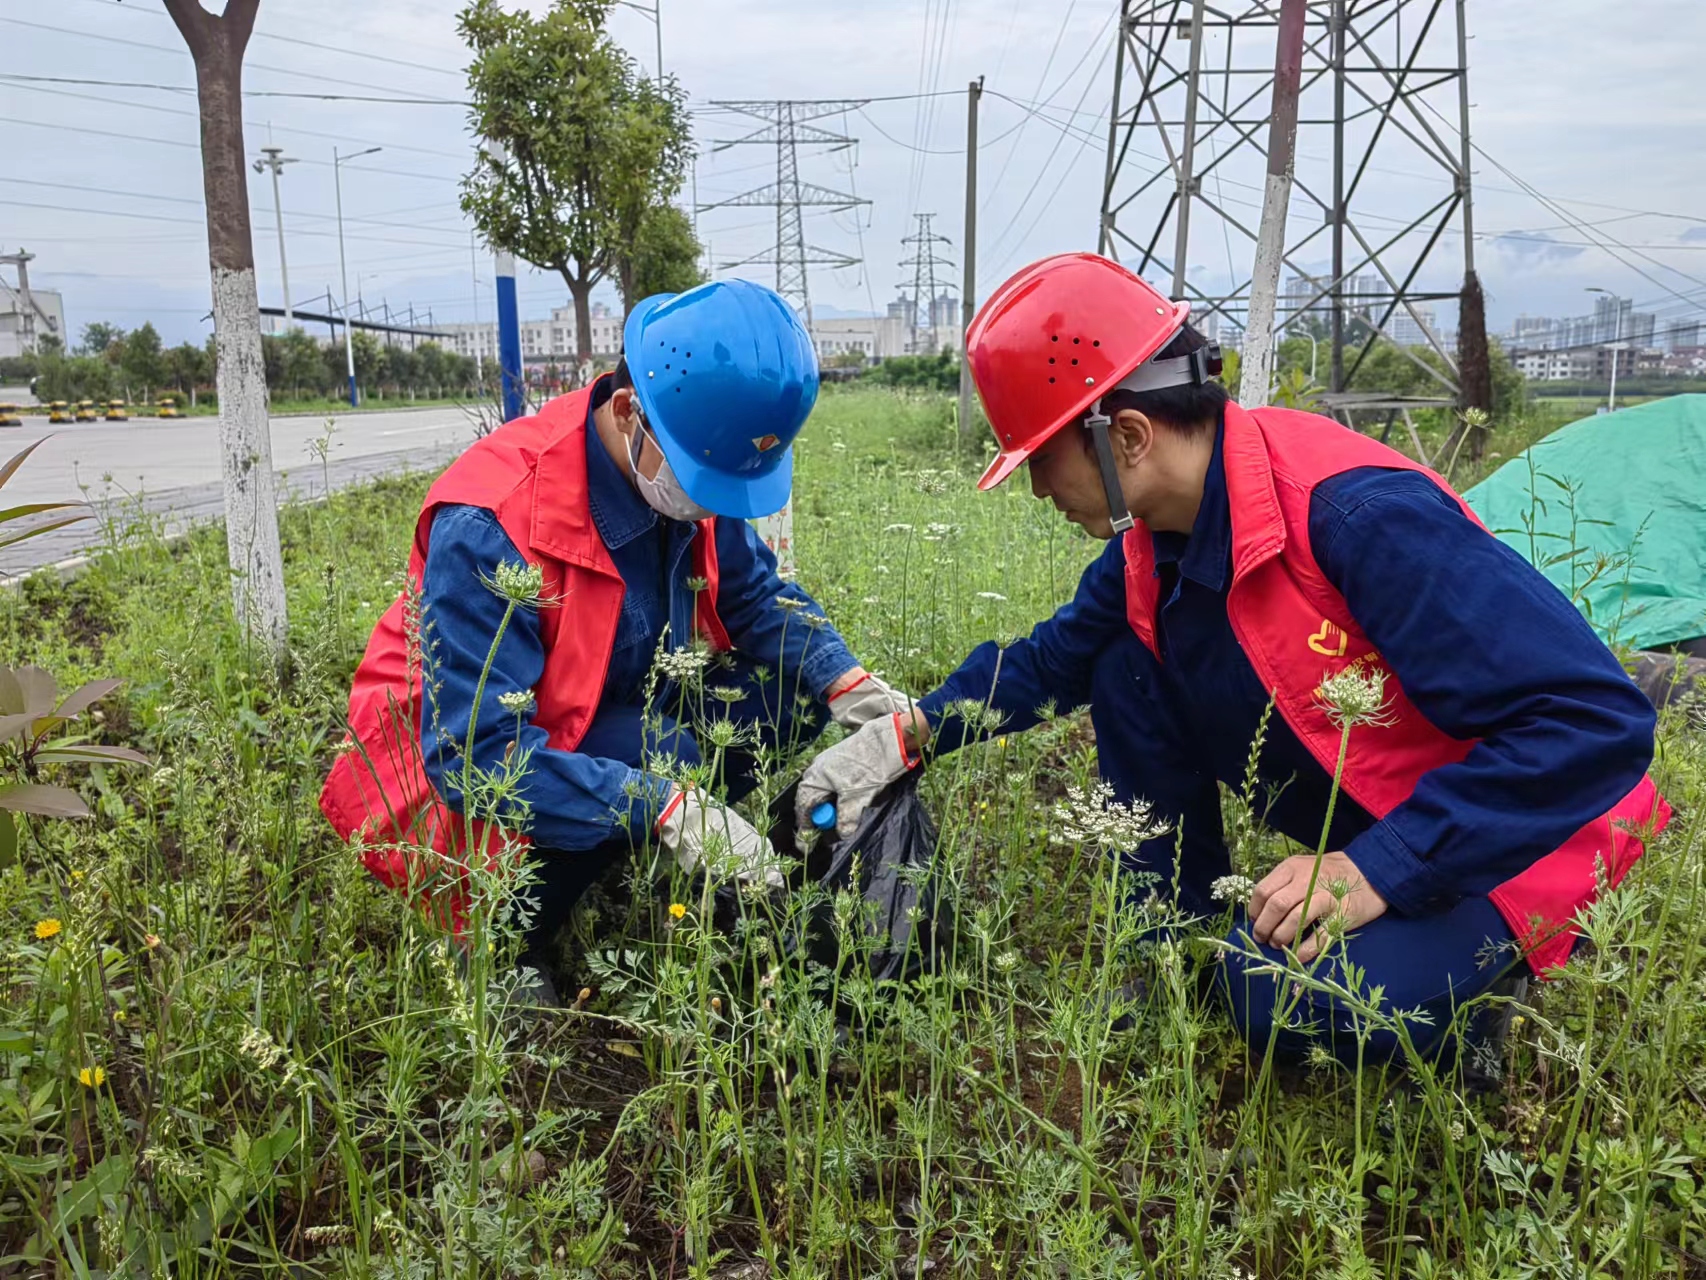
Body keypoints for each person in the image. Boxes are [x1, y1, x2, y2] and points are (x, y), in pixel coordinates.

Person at [798, 253, 1669, 1066]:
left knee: (1282, 1000)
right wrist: (908, 734)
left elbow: (1594, 721)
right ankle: (1174, 942)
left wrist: (1375, 869)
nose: (1036, 490)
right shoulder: (1159, 540)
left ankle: (1485, 995)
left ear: (1127, 436)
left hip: (1525, 837)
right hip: (1386, 810)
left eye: (1042, 462)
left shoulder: (1355, 517)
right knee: (1119, 661)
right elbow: (1049, 663)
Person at [320, 279, 911, 1004]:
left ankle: (672, 845)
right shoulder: (492, 523)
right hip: (453, 762)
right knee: (658, 758)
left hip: (605, 694)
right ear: (629, 413)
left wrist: (847, 681)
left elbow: (753, 594)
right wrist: (662, 805)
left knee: (785, 694)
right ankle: (506, 943)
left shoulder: (678, 463)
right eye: (706, 482)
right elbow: (473, 757)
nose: (713, 506)